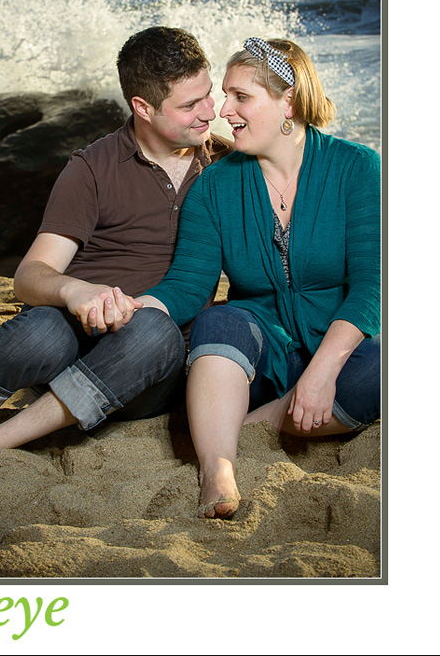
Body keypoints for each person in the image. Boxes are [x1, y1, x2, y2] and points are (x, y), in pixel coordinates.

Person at [0, 26, 232, 479]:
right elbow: (30, 275)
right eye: (190, 105)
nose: (210, 112)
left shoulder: (224, 164)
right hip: (70, 344)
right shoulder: (92, 167)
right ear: (143, 108)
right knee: (42, 329)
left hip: (149, 369)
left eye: (207, 95)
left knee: (156, 330)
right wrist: (75, 291)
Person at [140, 37, 380, 519]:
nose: (223, 111)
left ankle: (242, 423)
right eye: (225, 95)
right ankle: (218, 466)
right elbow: (188, 285)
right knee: (219, 322)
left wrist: (321, 372)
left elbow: (374, 286)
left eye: (240, 96)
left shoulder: (357, 167)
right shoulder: (213, 187)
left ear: (287, 100)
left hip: (340, 353)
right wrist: (136, 306)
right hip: (259, 352)